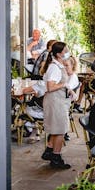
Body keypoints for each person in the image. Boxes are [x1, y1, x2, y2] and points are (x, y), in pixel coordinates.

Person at [41, 41, 75, 169]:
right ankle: (56, 157)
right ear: (59, 54)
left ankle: (49, 151)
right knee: (60, 130)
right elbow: (50, 87)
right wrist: (64, 85)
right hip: (55, 102)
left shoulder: (59, 65)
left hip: (59, 101)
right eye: (66, 51)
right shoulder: (54, 67)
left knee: (57, 128)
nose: (67, 53)